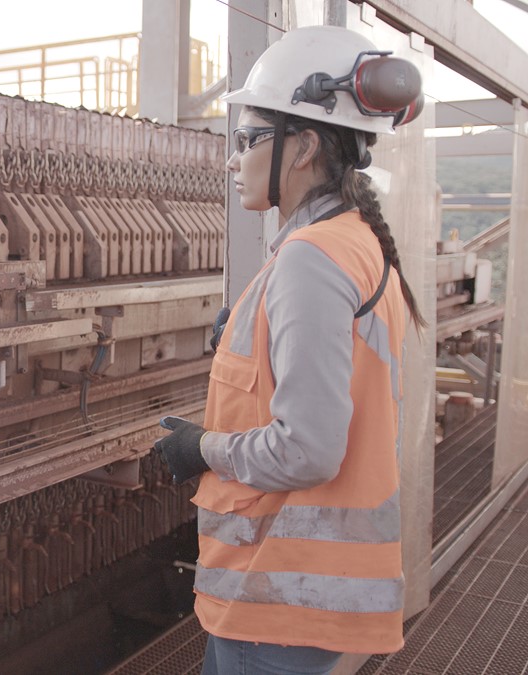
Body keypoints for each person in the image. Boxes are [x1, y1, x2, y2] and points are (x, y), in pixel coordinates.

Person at [152, 25, 427, 675]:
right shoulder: (354, 240)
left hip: (277, 592)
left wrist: (201, 447)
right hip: (302, 594)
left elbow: (309, 448)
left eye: (248, 140)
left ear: (302, 146)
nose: (233, 158)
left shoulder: (312, 257)